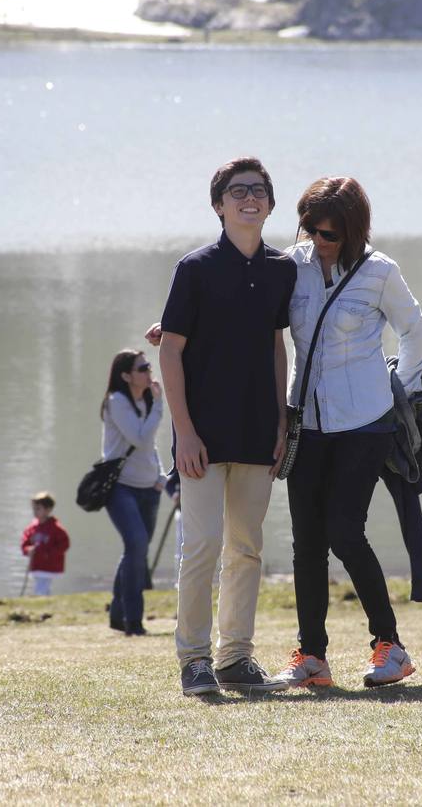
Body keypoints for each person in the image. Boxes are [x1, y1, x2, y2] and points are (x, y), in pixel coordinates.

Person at [271, 177, 422, 689]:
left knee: (343, 529)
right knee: (306, 542)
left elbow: (415, 332)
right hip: (307, 421)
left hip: (365, 424)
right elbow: (253, 320)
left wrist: (397, 391)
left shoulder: (379, 271)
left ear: (354, 230)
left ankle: (390, 646)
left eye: (331, 234)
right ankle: (311, 656)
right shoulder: (289, 265)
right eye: (311, 229)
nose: (319, 240)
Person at [158, 156, 297, 696]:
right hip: (201, 435)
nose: (249, 198)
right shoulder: (194, 268)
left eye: (259, 191)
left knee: (247, 547)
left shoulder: (281, 269)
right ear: (218, 206)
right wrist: (184, 432)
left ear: (269, 203)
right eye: (237, 191)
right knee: (202, 546)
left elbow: (275, 345)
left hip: (259, 430)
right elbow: (171, 351)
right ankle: (193, 660)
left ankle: (235, 657)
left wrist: (282, 419)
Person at [100, 348, 166, 636]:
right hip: (120, 488)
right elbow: (139, 437)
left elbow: (148, 447)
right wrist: (160, 406)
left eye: (148, 365)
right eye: (142, 368)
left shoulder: (146, 400)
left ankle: (117, 614)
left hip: (149, 488)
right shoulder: (116, 402)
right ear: (126, 375)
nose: (148, 371)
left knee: (135, 550)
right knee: (137, 546)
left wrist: (160, 474)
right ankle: (134, 622)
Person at [20, 491, 70, 597]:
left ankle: (41, 599)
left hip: (49, 565)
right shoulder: (32, 528)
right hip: (36, 564)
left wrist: (48, 553)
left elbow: (64, 545)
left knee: (42, 585)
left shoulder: (56, 529)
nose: (35, 511)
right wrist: (28, 550)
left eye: (38, 508)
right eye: (34, 508)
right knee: (41, 585)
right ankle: (44, 599)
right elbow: (25, 543)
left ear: (48, 510)